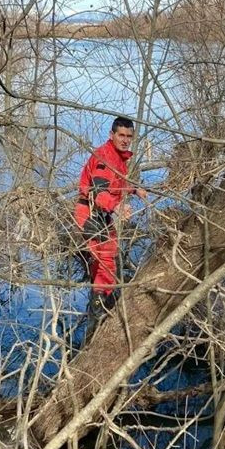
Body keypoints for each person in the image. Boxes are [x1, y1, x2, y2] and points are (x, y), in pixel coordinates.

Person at [74, 116, 147, 320]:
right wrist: (116, 207)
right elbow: (98, 191)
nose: (125, 140)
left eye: (129, 136)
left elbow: (115, 185)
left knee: (107, 255)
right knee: (105, 259)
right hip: (90, 212)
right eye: (121, 135)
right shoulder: (105, 157)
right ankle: (98, 310)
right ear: (111, 135)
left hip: (100, 212)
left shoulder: (117, 157)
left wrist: (134, 190)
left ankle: (101, 295)